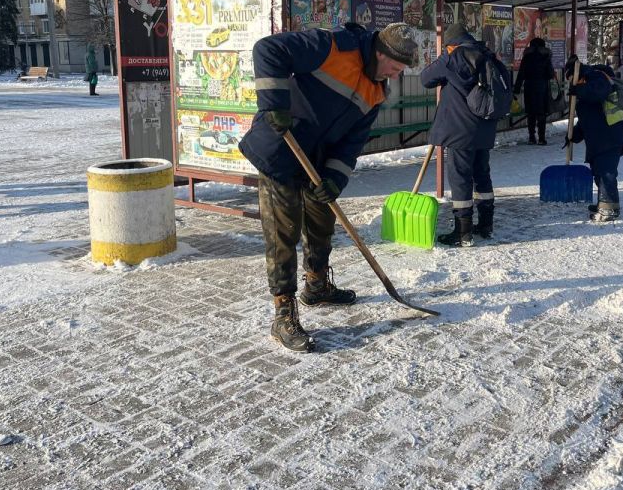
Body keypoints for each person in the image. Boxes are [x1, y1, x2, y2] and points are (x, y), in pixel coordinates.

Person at [238, 21, 418, 353]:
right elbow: (268, 49)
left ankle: (317, 287)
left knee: (322, 222)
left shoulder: (376, 92)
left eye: (402, 69)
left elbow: (351, 144)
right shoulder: (335, 47)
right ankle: (283, 313)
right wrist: (274, 103)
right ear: (379, 53)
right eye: (395, 66)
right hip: (281, 147)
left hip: (317, 163)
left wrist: (335, 178)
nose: (396, 74)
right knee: (284, 231)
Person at [420, 22, 500, 247]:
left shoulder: (452, 58)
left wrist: (444, 59)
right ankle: (486, 225)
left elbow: (425, 79)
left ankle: (463, 232)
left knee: (460, 178)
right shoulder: (486, 54)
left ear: (451, 45)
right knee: (482, 174)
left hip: (460, 129)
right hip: (484, 127)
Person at [566, 64, 623, 222]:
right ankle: (605, 204)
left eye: (571, 80)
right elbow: (589, 117)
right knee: (599, 172)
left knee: (606, 173)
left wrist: (579, 90)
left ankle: (609, 209)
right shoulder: (589, 84)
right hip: (601, 138)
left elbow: (599, 92)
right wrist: (574, 135)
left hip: (610, 137)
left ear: (578, 76)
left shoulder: (597, 76)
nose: (571, 84)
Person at [513, 37, 555, 145]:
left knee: (531, 113)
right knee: (541, 113)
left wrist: (517, 89)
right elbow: (550, 74)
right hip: (542, 88)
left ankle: (531, 137)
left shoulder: (527, 57)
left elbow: (521, 73)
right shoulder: (546, 57)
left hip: (529, 87)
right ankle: (541, 138)